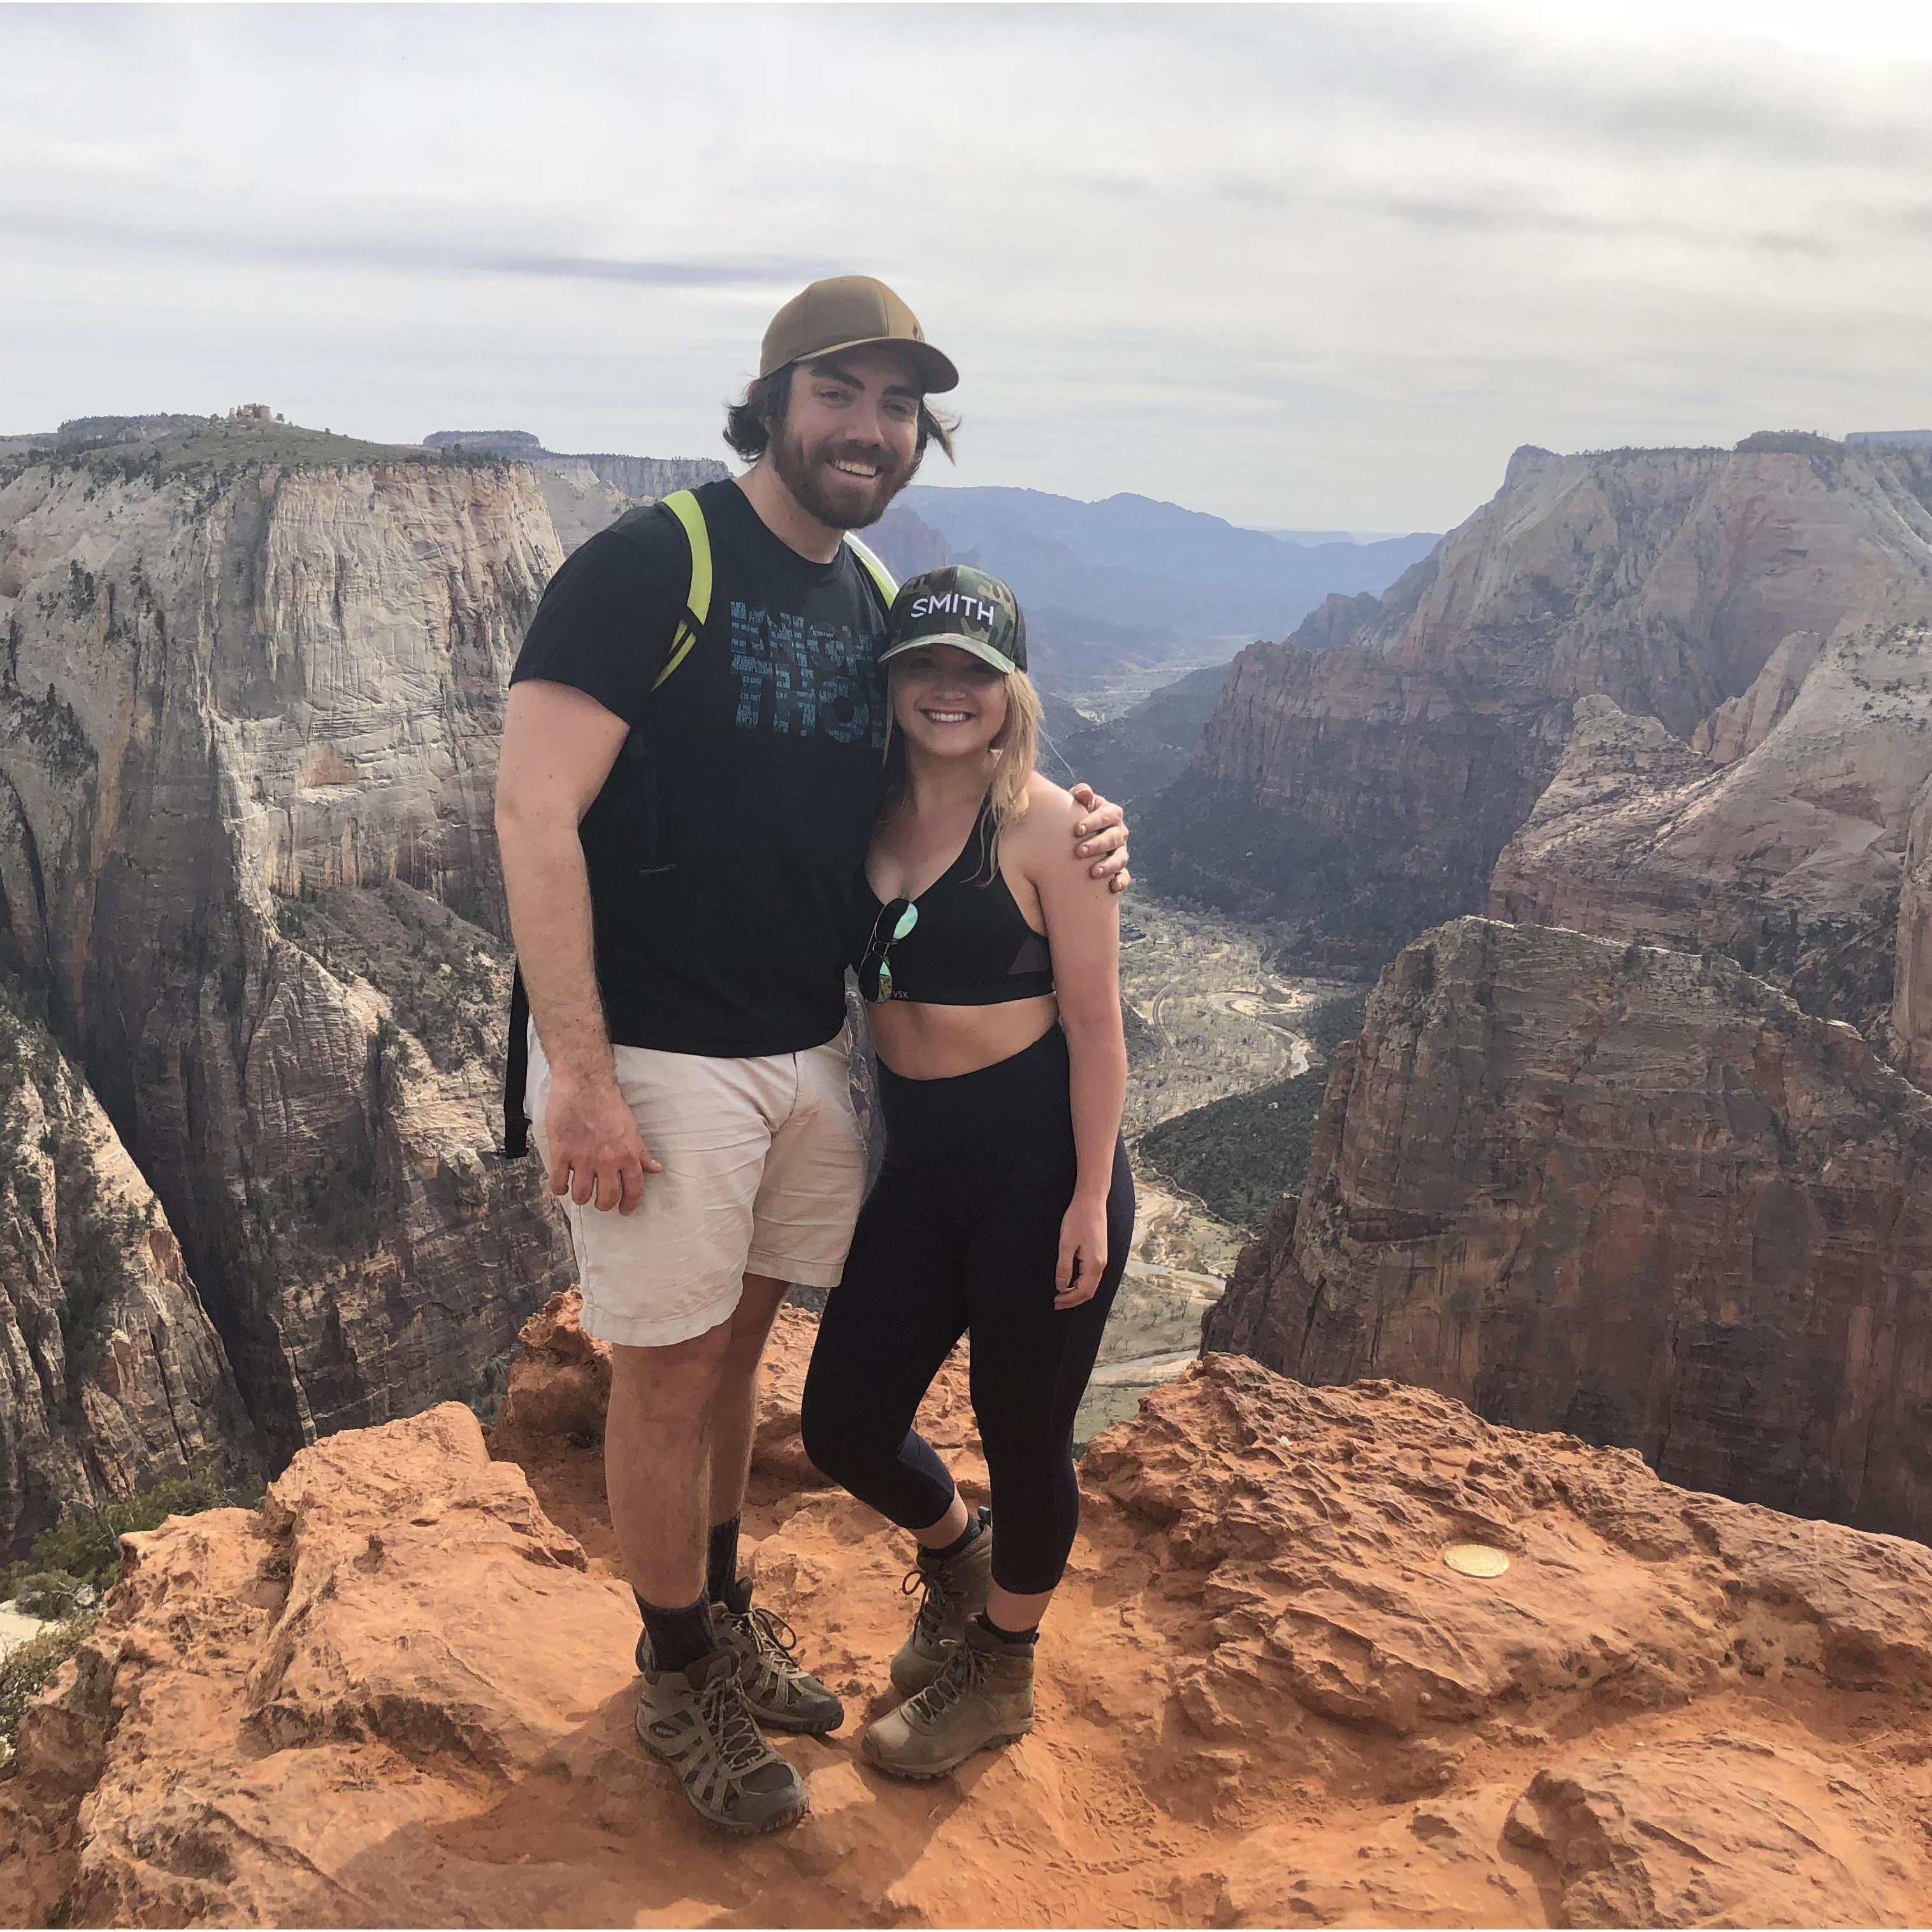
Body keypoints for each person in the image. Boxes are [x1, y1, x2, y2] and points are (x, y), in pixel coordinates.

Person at [493, 275, 1131, 1835]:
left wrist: (1081, 821)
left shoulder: (864, 604)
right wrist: (577, 1075)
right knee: (661, 1377)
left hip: (805, 1058)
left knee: (728, 1367)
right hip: (657, 1060)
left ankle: (714, 1612)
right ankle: (675, 1672)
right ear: (773, 400)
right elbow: (530, 812)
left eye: (899, 404)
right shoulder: (654, 563)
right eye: (838, 392)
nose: (869, 428)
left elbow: (948, 765)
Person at [800, 565, 1134, 1780]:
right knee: (841, 1424)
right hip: (922, 1164)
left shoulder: (1053, 828)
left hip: (1041, 1168)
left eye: (974, 673)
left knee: (1024, 1431)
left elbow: (1097, 1029)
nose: (949, 692)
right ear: (892, 682)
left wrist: (1091, 1198)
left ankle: (1001, 1670)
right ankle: (960, 1556)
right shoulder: (863, 811)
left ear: (1010, 691)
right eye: (925, 667)